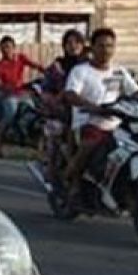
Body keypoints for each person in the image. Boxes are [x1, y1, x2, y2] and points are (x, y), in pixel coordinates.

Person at [62, 27, 138, 205]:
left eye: (110, 46)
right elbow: (70, 94)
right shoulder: (81, 71)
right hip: (88, 122)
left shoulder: (119, 72)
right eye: (101, 45)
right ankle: (71, 177)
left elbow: (136, 92)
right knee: (90, 144)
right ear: (92, 47)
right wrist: (92, 107)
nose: (106, 50)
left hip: (116, 123)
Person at [41, 29, 88, 184]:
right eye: (69, 43)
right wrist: (56, 100)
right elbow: (46, 91)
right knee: (58, 134)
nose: (73, 46)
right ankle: (53, 172)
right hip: (62, 112)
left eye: (77, 42)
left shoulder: (89, 66)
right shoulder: (57, 67)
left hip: (88, 111)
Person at [0, 36, 45, 157]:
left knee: (34, 110)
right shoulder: (0, 65)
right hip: (9, 95)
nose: (6, 50)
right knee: (10, 115)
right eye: (3, 48)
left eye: (9, 47)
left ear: (14, 48)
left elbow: (34, 65)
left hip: (22, 93)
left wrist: (47, 71)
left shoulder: (20, 58)